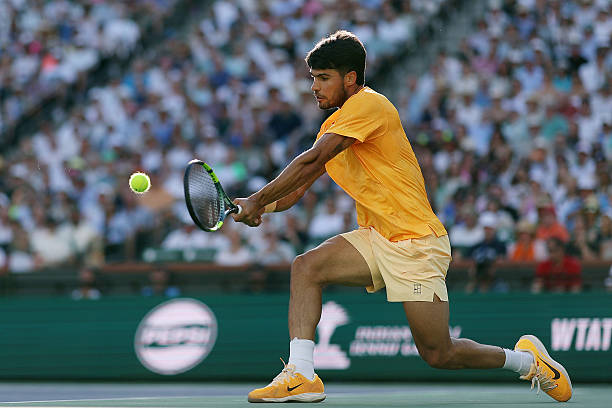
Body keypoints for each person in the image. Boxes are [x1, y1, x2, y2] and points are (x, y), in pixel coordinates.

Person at [232, 31, 572, 403]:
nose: (314, 86)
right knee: (306, 267)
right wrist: (257, 208)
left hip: (417, 243)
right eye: (312, 77)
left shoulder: (369, 105)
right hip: (377, 237)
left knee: (439, 354)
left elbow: (310, 161)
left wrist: (257, 197)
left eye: (323, 77)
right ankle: (301, 374)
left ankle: (528, 362)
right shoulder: (332, 127)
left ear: (350, 78)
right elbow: (297, 189)